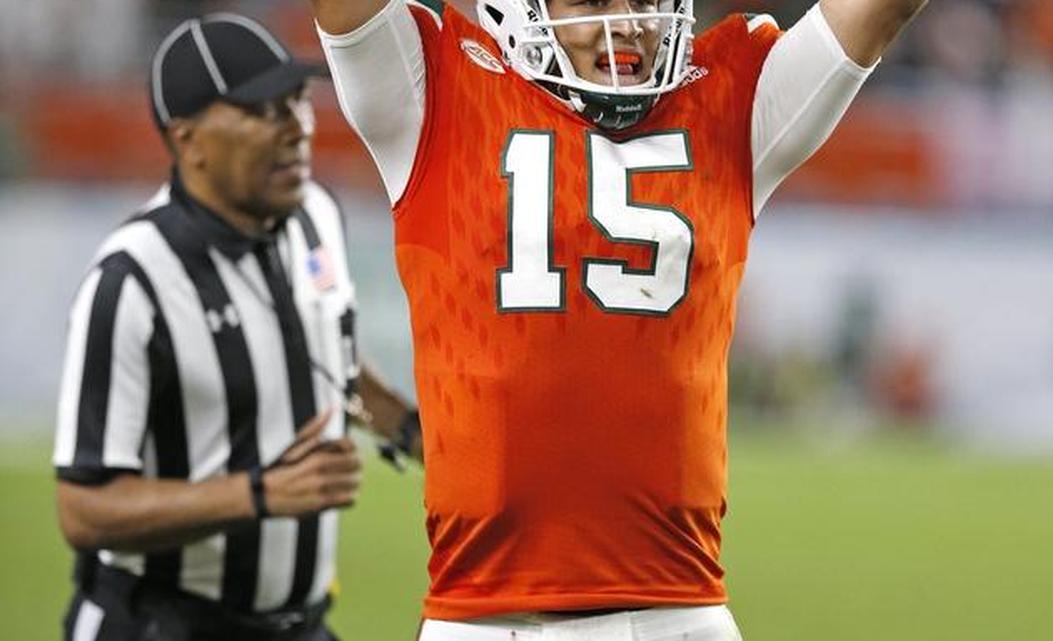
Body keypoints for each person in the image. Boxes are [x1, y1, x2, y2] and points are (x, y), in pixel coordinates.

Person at [310, 0, 926, 638]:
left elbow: (879, 11)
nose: (629, 24)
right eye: (594, 0)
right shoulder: (431, 86)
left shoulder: (733, 96)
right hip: (485, 617)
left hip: (680, 614)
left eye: (644, 1)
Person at [52, 12, 420, 641]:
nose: (298, 127)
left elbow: (329, 354)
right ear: (188, 139)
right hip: (159, 622)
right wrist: (260, 493)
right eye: (262, 111)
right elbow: (84, 510)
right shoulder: (134, 278)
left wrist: (420, 437)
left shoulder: (317, 216)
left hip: (300, 626)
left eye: (297, 100)